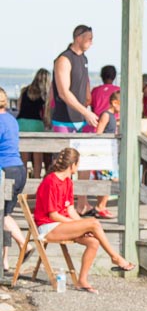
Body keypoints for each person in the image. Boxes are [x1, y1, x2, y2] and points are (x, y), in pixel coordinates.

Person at [33, 147, 135, 291]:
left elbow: (70, 210)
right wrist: (81, 225)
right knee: (93, 223)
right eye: (78, 164)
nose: (79, 167)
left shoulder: (67, 182)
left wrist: (81, 225)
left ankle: (82, 280)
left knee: (93, 241)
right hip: (48, 227)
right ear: (72, 165)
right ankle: (115, 257)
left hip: (61, 225)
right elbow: (53, 215)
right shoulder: (51, 181)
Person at [52, 25, 97, 213]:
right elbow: (63, 92)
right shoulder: (64, 59)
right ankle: (60, 204)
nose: (91, 42)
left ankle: (81, 203)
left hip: (81, 118)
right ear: (78, 38)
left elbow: (84, 84)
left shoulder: (84, 59)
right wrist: (86, 112)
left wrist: (88, 105)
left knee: (85, 161)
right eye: (89, 38)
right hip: (64, 119)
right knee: (63, 164)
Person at [0, 87, 28, 271]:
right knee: (5, 214)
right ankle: (5, 261)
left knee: (2, 214)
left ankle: (24, 244)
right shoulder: (11, 119)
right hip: (19, 169)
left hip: (6, 171)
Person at [91, 90, 122, 219]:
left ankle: (101, 206)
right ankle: (101, 206)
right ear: (115, 103)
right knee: (108, 179)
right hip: (104, 153)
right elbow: (99, 132)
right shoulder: (106, 115)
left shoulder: (113, 116)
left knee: (108, 179)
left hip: (110, 153)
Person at [16, 68, 50, 178]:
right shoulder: (45, 94)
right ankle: (36, 179)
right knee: (38, 156)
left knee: (24, 156)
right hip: (36, 123)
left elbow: (19, 107)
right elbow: (46, 114)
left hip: (21, 122)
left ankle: (23, 180)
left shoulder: (24, 90)